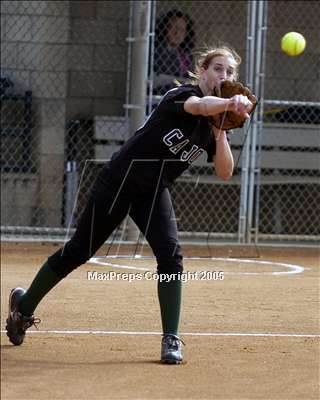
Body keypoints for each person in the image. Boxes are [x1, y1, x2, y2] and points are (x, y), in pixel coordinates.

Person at [6, 45, 254, 364]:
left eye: (230, 72)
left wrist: (221, 133)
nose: (224, 75)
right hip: (120, 180)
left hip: (152, 192)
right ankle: (23, 307)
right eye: (217, 68)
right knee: (79, 251)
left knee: (171, 256)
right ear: (203, 70)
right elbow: (199, 106)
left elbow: (224, 172)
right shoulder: (181, 96)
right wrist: (227, 103)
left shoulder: (214, 125)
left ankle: (171, 339)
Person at [153, 9, 195, 95]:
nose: (177, 33)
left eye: (182, 30)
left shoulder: (187, 55)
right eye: (174, 28)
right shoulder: (157, 51)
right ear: (165, 28)